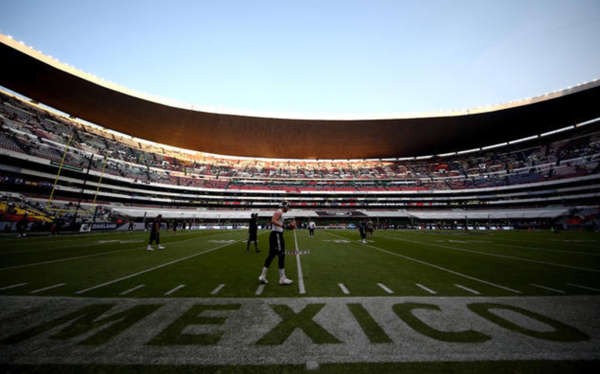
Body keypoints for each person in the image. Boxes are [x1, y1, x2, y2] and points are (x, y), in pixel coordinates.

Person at [258, 202, 293, 285]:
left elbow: (277, 223)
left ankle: (263, 276)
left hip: (275, 235)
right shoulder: (279, 211)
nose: (288, 209)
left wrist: (287, 227)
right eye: (288, 207)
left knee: (271, 255)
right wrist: (284, 226)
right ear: (285, 206)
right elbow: (273, 220)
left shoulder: (279, 212)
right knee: (281, 255)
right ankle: (282, 278)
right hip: (277, 235)